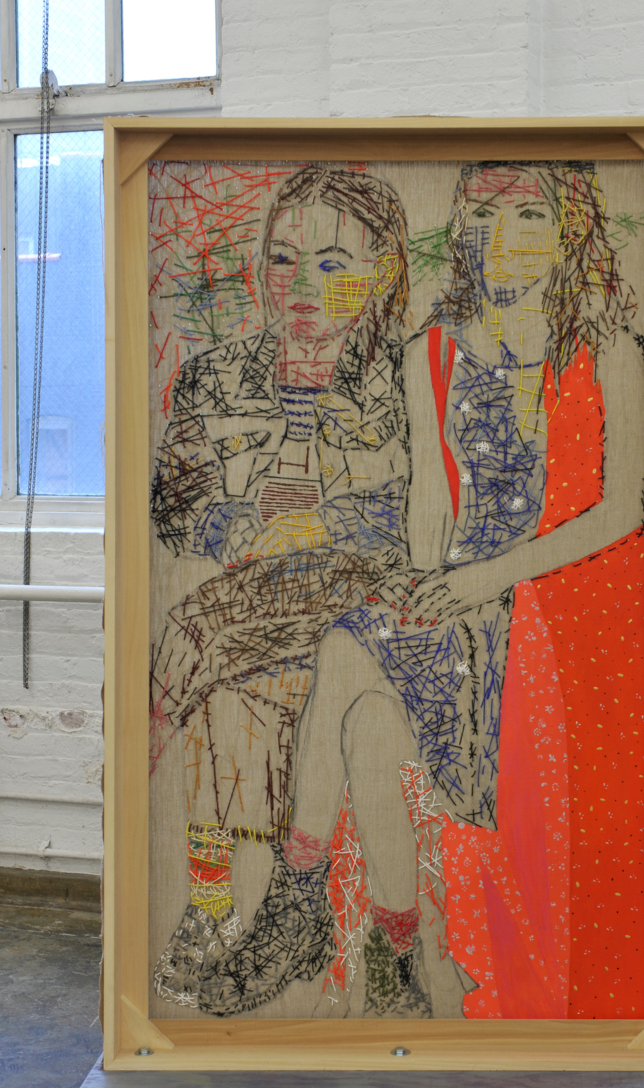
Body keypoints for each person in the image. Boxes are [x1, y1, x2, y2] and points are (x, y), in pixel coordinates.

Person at [198, 159, 644, 1019]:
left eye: (528, 215)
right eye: (481, 214)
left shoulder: (609, 350)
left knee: (349, 665)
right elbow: (430, 513)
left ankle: (310, 912)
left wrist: (480, 583)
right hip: (452, 599)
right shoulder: (432, 352)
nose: (501, 236)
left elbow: (622, 510)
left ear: (569, 234)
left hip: (539, 612)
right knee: (365, 702)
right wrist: (420, 592)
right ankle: (391, 961)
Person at [149, 165, 413, 1009]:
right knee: (226, 680)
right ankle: (214, 906)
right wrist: (234, 523)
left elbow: (428, 514)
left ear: (383, 273)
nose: (301, 287)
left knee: (196, 642)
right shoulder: (214, 377)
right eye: (283, 260)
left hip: (359, 605)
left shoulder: (411, 379)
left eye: (334, 264)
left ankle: (269, 912)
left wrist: (326, 522)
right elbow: (173, 503)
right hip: (253, 598)